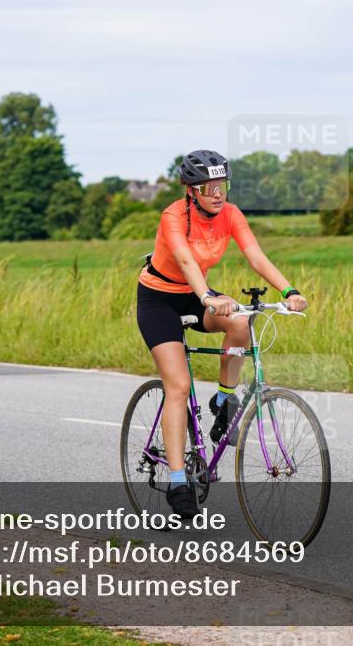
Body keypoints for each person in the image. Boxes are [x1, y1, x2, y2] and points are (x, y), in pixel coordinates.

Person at [135, 150, 308, 519]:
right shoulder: (174, 216)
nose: (218, 193)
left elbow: (256, 257)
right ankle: (179, 480)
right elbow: (184, 261)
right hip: (159, 301)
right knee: (178, 386)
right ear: (191, 191)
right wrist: (208, 296)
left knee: (240, 323)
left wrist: (288, 291)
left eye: (223, 185)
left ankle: (223, 401)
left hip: (196, 295)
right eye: (209, 187)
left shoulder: (230, 215)